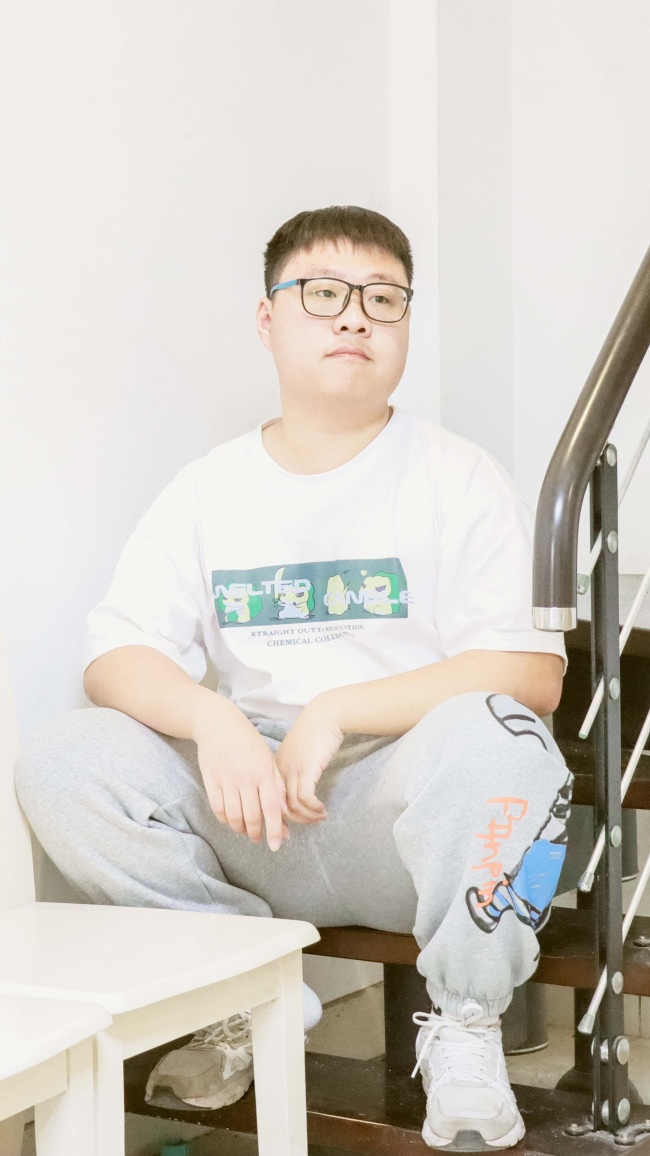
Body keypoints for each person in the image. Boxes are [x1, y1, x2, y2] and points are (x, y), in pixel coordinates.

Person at [15, 205, 571, 1151]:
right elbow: (115, 656)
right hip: (256, 810)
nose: (355, 316)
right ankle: (236, 995)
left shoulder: (459, 477)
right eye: (323, 293)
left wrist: (337, 710)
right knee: (65, 758)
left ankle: (467, 1027)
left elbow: (530, 673)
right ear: (268, 320)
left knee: (503, 737)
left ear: (405, 324)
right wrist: (213, 720)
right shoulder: (208, 489)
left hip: (407, 819)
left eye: (383, 298)